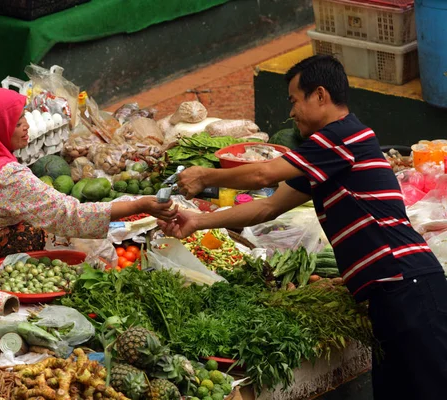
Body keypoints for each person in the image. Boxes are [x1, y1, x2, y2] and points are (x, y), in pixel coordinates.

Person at [158, 55, 447, 399]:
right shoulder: (326, 157)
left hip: (407, 283)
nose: (291, 112)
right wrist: (197, 221)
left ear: (320, 96)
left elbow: (263, 173)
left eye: (295, 101)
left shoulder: (343, 136)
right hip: (389, 293)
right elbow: (266, 208)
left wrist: (205, 175)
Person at [0, 87, 176, 280]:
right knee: (35, 230)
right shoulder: (5, 175)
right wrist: (139, 205)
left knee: (28, 216)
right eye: (16, 122)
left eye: (24, 116)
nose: (26, 124)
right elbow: (69, 215)